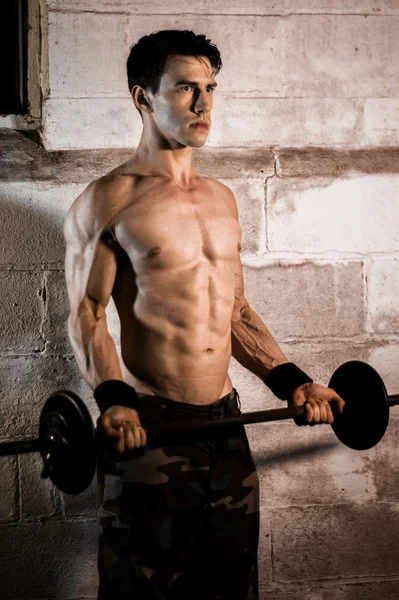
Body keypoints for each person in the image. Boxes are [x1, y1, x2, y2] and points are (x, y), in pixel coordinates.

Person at [64, 29, 345, 600]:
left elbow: (235, 308)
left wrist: (291, 380)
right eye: (186, 88)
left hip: (227, 428)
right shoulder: (107, 201)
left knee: (232, 589)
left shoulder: (222, 198)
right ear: (143, 97)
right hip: (150, 432)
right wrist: (114, 402)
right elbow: (88, 314)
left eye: (211, 88)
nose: (204, 104)